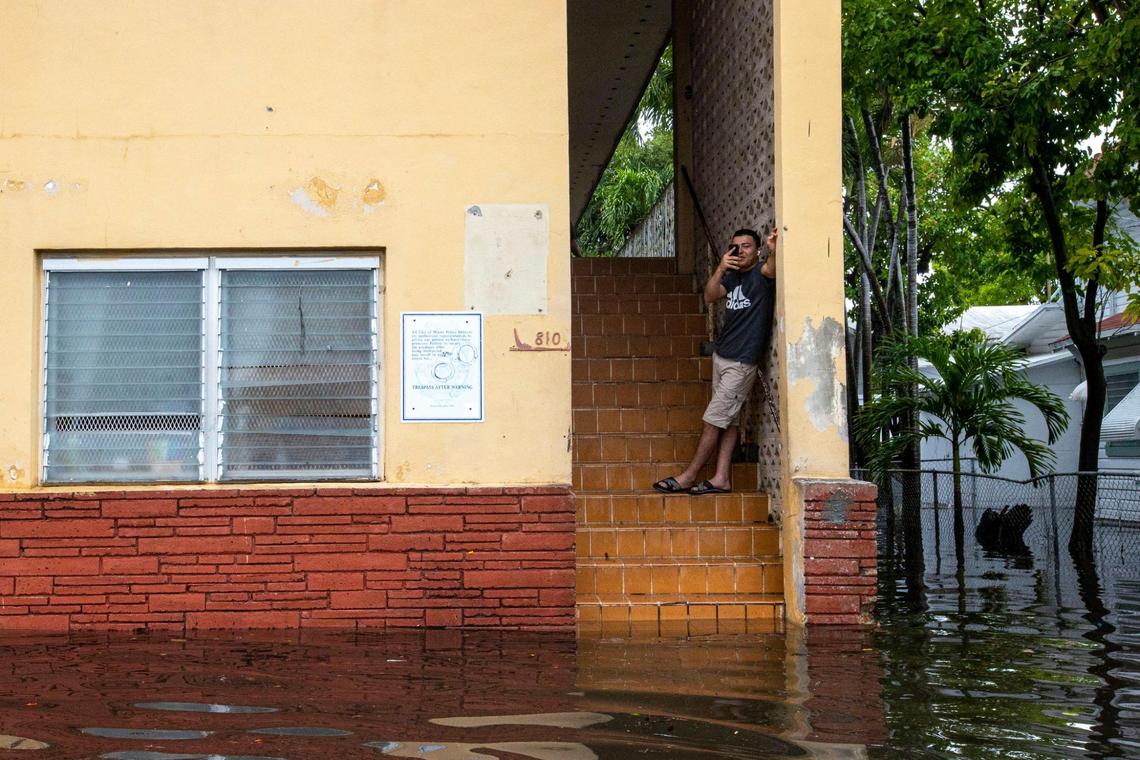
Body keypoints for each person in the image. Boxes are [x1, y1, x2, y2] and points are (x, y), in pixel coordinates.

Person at [652, 227, 777, 495]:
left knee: (712, 419)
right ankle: (721, 478)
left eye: (746, 246)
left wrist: (774, 247)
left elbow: (773, 268)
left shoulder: (762, 274)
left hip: (742, 363)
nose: (740, 251)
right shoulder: (731, 278)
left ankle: (689, 476)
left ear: (757, 250)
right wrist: (720, 268)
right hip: (722, 356)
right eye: (735, 247)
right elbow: (709, 295)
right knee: (727, 421)